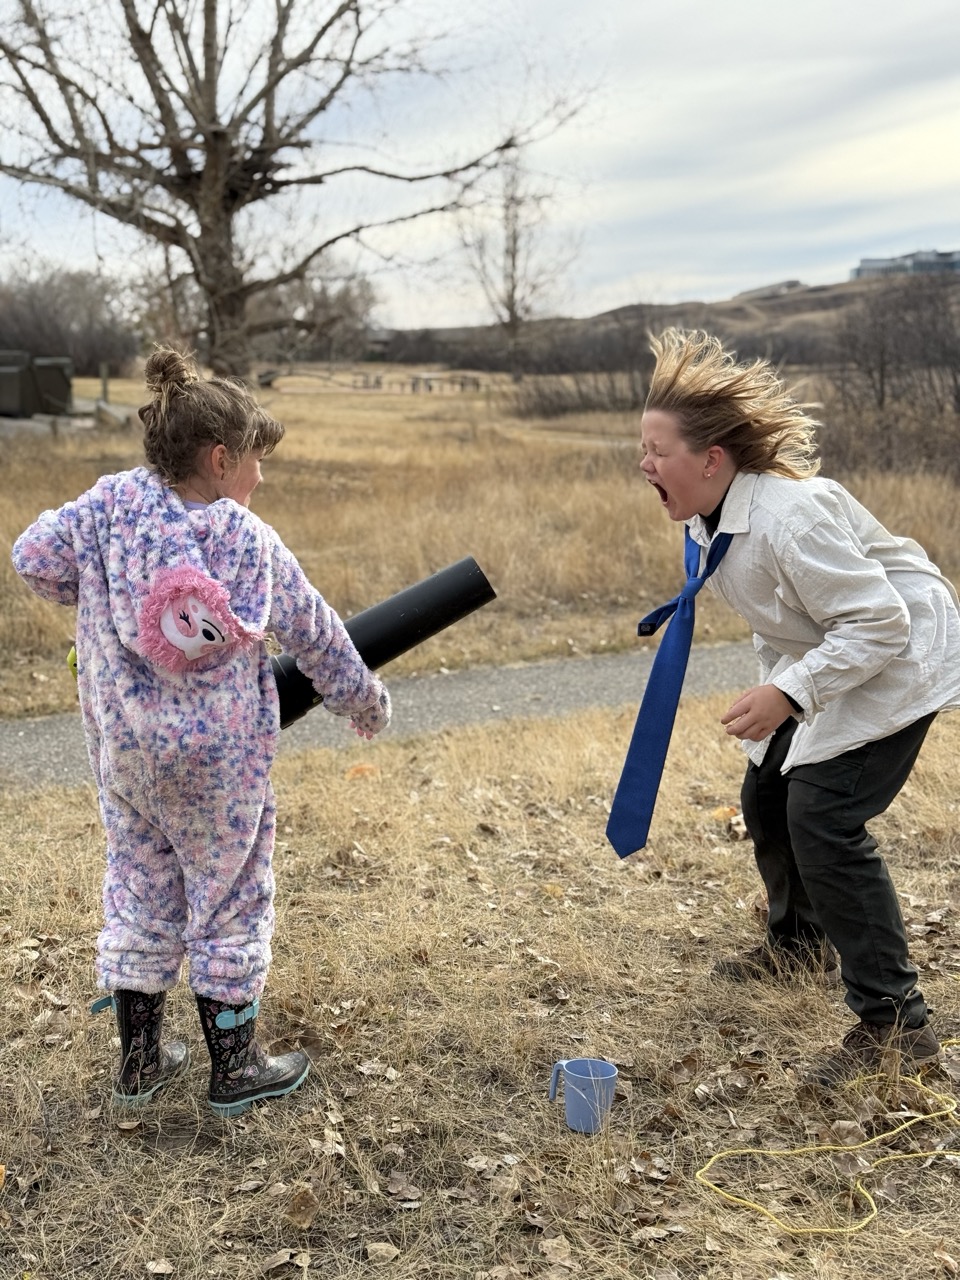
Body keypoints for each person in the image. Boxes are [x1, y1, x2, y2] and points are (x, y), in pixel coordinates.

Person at [12, 346, 391, 1117]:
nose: (261, 478)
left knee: (139, 887)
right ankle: (236, 1067)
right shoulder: (250, 541)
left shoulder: (109, 508)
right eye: (256, 461)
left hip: (126, 755)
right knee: (231, 896)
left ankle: (140, 1062)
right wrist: (365, 702)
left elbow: (33, 557)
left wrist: (96, 580)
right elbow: (317, 633)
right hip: (221, 768)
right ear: (221, 460)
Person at [638, 329, 960, 1089]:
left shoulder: (790, 517)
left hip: (902, 652)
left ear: (711, 459)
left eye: (657, 450)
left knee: (824, 814)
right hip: (835, 649)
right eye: (641, 449)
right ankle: (800, 945)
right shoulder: (710, 519)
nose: (644, 464)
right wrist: (780, 699)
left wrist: (791, 693)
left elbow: (879, 622)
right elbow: (782, 618)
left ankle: (895, 1024)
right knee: (767, 791)